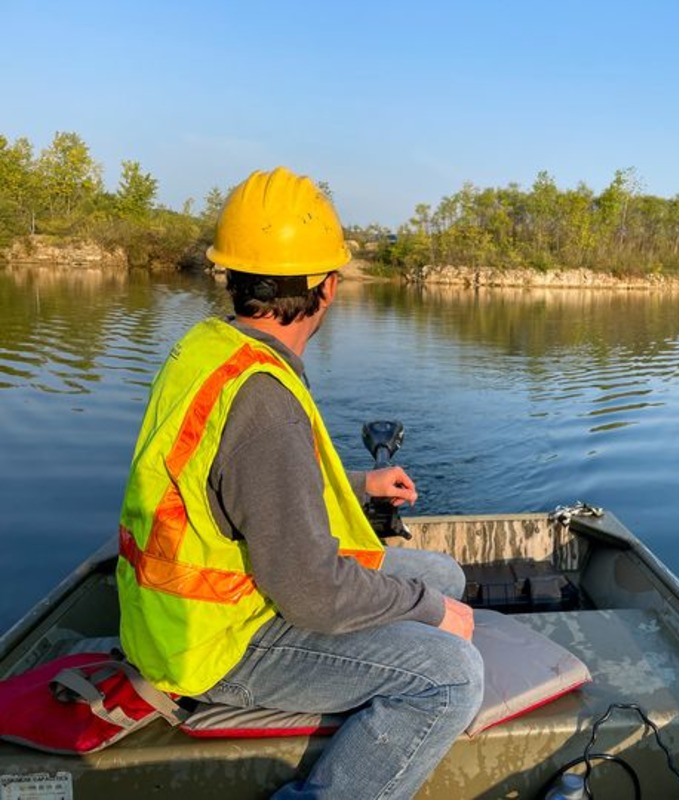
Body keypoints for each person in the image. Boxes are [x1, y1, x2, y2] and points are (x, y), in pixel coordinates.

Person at [115, 166, 484, 799]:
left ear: (231, 274)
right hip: (213, 647)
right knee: (451, 674)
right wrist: (427, 612)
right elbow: (312, 594)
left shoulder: (210, 347)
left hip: (186, 613)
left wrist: (362, 485)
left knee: (443, 575)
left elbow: (238, 481)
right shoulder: (264, 400)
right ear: (327, 288)